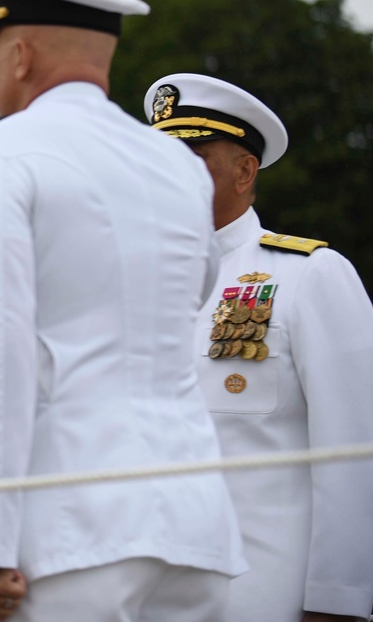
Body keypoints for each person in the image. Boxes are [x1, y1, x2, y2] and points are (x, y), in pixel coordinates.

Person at [0, 0, 246, 622]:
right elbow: (197, 294)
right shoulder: (179, 168)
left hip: (72, 525)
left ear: (18, 56)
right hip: (196, 524)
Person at [143, 73, 373, 622]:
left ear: (245, 171)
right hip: (142, 598)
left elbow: (355, 453)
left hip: (260, 593)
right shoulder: (130, 285)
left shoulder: (308, 275)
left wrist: (338, 600)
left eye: (191, 155)